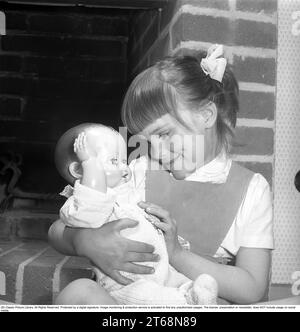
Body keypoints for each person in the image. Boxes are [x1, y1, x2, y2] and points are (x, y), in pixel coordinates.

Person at [49, 45, 274, 305]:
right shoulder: (137, 171)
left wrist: (177, 254)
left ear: (206, 115)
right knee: (79, 292)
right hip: (128, 302)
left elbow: (252, 288)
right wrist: (83, 240)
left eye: (164, 134)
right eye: (146, 140)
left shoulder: (252, 189)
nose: (155, 150)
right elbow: (56, 231)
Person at [54, 124, 218, 305]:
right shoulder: (84, 204)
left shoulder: (126, 192)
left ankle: (193, 294)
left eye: (124, 160)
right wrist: (90, 165)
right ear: (79, 170)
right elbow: (92, 203)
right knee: (153, 296)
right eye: (114, 161)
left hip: (160, 269)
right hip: (127, 283)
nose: (125, 168)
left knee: (182, 282)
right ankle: (184, 302)